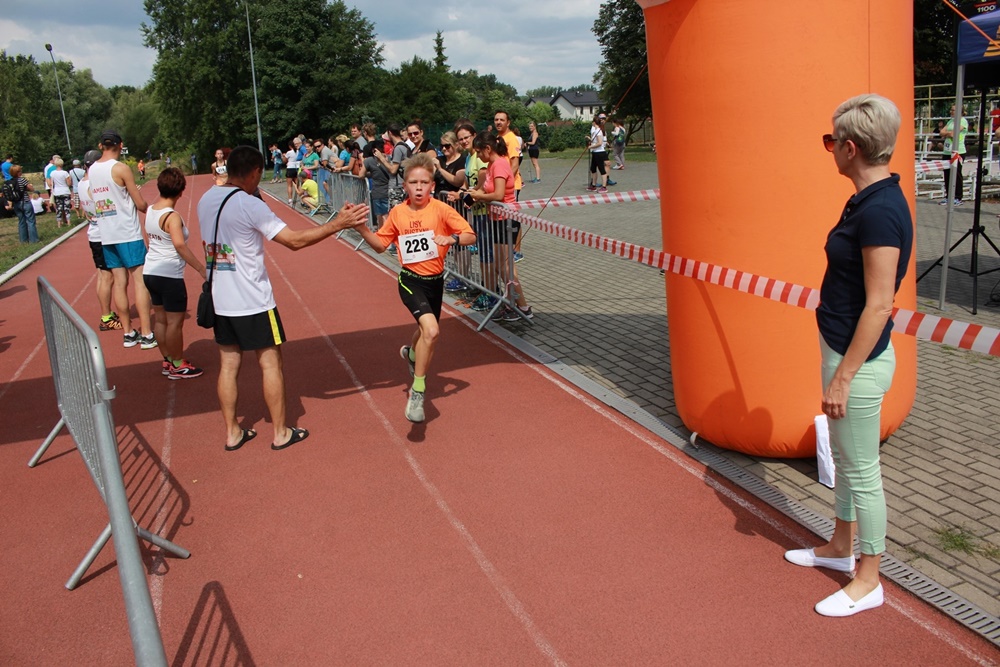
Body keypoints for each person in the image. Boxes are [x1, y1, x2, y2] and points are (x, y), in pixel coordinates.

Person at [784, 94, 912, 618]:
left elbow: (880, 305)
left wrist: (843, 379)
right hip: (841, 352)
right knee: (842, 458)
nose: (829, 148)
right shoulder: (865, 200)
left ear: (851, 147)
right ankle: (840, 546)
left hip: (857, 364)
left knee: (862, 472)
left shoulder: (880, 211)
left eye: (830, 140)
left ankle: (869, 578)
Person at [196, 145, 369, 451]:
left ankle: (233, 432)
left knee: (229, 365)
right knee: (270, 363)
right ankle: (280, 432)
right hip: (253, 300)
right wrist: (337, 224)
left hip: (221, 299)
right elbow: (293, 241)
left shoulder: (206, 199)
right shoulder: (249, 204)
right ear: (255, 172)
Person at [353, 152, 476, 423]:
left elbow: (470, 235)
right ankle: (418, 391)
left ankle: (410, 354)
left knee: (424, 332)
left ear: (432, 185)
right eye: (413, 183)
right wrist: (362, 229)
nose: (419, 188)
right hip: (410, 281)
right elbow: (380, 245)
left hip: (435, 283)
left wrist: (452, 239)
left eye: (424, 182)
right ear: (405, 186)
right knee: (431, 330)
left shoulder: (441, 209)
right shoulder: (398, 213)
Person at [90, 129, 157, 349]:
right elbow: (140, 203)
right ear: (121, 145)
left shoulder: (92, 169)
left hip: (106, 233)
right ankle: (146, 333)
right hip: (127, 232)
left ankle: (128, 332)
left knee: (119, 283)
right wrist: (152, 210)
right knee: (140, 281)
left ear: (101, 146)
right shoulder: (120, 168)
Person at [143, 168, 207, 379]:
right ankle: (178, 364)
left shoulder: (151, 210)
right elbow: (179, 245)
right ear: (180, 192)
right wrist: (200, 268)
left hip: (150, 271)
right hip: (169, 275)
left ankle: (168, 360)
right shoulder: (172, 217)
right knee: (174, 323)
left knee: (161, 320)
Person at [466, 131, 533, 321]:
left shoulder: (500, 164)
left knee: (506, 268)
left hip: (506, 219)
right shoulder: (491, 165)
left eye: (479, 152)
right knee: (499, 266)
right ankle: (511, 302)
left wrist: (479, 196)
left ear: (488, 149)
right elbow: (485, 189)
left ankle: (523, 307)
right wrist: (468, 196)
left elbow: (498, 194)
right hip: (496, 219)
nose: (478, 156)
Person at [78, 149, 121, 331]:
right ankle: (106, 316)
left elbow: (84, 209)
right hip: (102, 235)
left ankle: (107, 314)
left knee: (103, 275)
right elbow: (106, 208)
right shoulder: (93, 184)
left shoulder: (81, 183)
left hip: (95, 232)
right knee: (107, 277)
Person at [2, 165, 39, 243]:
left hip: (16, 203)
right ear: (18, 172)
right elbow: (31, 189)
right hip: (25, 202)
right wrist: (30, 187)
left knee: (21, 221)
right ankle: (34, 240)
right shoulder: (22, 180)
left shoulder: (10, 182)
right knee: (30, 221)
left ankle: (23, 240)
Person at [940, 104, 967, 206]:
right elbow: (941, 132)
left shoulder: (963, 121)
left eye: (953, 110)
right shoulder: (950, 121)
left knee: (956, 174)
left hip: (958, 151)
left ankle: (958, 197)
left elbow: (953, 134)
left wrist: (947, 133)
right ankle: (949, 196)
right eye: (951, 110)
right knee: (947, 174)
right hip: (947, 151)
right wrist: (948, 133)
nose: (951, 112)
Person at [587, 114, 610, 192]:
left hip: (599, 152)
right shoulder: (596, 130)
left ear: (594, 122)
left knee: (602, 169)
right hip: (595, 152)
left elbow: (600, 143)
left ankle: (604, 187)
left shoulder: (598, 131)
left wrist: (591, 147)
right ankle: (593, 185)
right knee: (593, 169)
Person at [49, 158, 73, 228]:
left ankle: (59, 224)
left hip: (57, 192)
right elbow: (69, 183)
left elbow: (51, 183)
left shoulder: (52, 173)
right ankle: (69, 222)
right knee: (67, 208)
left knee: (58, 208)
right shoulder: (65, 173)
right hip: (65, 191)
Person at [285, 138, 301, 204]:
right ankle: (301, 198)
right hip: (297, 167)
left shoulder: (289, 152)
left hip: (290, 168)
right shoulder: (299, 151)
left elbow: (285, 160)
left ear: (290, 146)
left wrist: (283, 156)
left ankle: (290, 199)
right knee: (298, 184)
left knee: (289, 185)